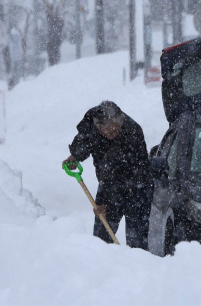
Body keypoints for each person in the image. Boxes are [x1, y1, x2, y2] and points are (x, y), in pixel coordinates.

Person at [64, 101, 153, 249]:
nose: (112, 135)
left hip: (138, 187)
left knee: (137, 242)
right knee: (101, 240)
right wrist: (75, 156)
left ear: (121, 121)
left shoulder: (132, 132)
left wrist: (106, 202)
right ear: (99, 126)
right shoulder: (91, 123)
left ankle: (136, 268)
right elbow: (84, 141)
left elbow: (120, 172)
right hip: (109, 183)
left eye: (116, 131)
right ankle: (101, 266)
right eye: (109, 133)